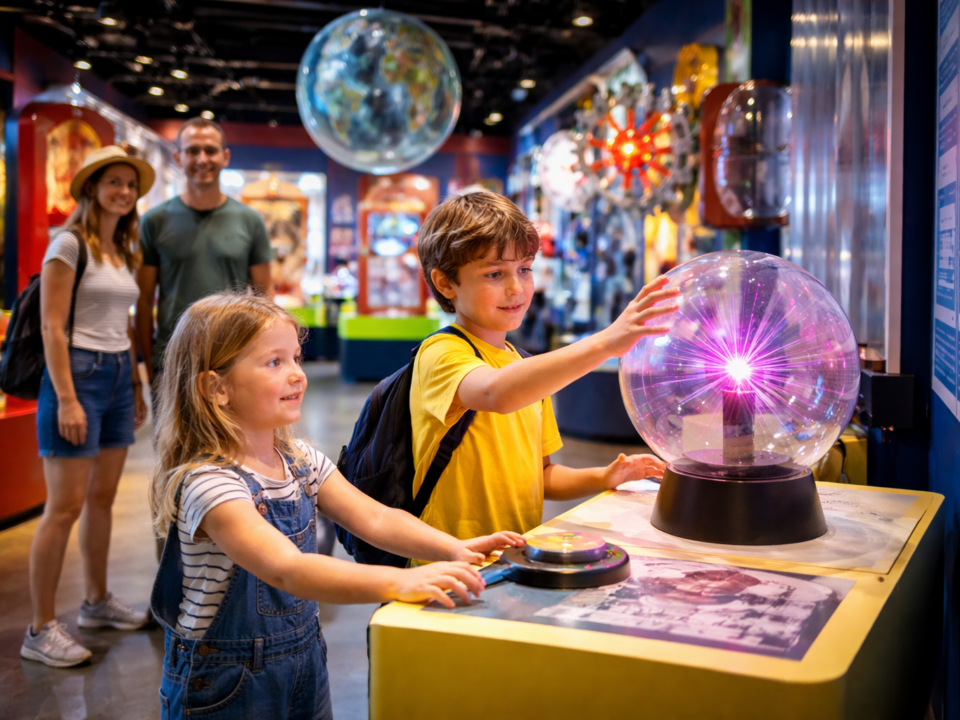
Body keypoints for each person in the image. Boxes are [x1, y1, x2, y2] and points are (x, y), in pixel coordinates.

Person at [149, 292, 522, 718]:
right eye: (275, 363)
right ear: (216, 387)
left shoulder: (300, 461)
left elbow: (375, 517)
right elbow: (287, 569)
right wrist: (397, 583)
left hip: (304, 660)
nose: (297, 375)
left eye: (296, 358)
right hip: (226, 683)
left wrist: (453, 548)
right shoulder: (209, 484)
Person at [410, 191, 679, 549]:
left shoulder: (522, 367)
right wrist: (607, 342)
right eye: (494, 273)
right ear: (445, 283)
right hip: (446, 566)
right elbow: (496, 392)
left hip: (513, 560)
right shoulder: (441, 352)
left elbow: (542, 476)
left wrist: (606, 475)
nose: (515, 287)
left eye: (524, 270)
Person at [21, 146, 153, 668]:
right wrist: (69, 400)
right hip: (76, 376)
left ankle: (96, 602)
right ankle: (40, 627)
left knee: (102, 499)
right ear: (92, 188)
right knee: (65, 508)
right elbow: (53, 327)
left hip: (119, 375)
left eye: (130, 184)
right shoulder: (68, 244)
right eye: (113, 182)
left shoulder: (121, 249)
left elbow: (122, 320)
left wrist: (139, 384)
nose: (123, 192)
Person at [135, 117, 273, 397]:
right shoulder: (154, 221)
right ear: (177, 158)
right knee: (172, 443)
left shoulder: (250, 221)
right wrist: (149, 364)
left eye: (210, 150)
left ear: (225, 157)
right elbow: (144, 298)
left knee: (233, 442)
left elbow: (264, 297)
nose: (202, 159)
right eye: (192, 151)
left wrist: (264, 358)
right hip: (172, 362)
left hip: (233, 361)